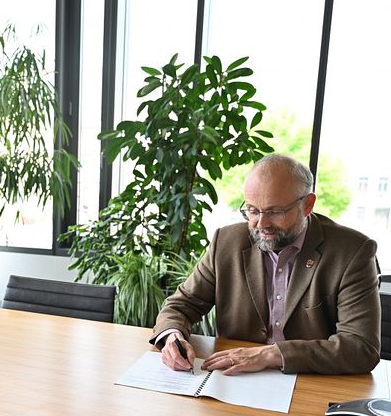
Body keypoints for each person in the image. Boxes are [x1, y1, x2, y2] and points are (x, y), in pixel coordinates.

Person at [152, 154, 380, 375]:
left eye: (275, 212)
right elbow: (181, 305)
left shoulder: (352, 252)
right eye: (252, 210)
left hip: (309, 381)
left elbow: (361, 347)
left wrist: (272, 354)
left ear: (307, 205)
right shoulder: (227, 242)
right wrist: (172, 336)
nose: (261, 224)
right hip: (234, 378)